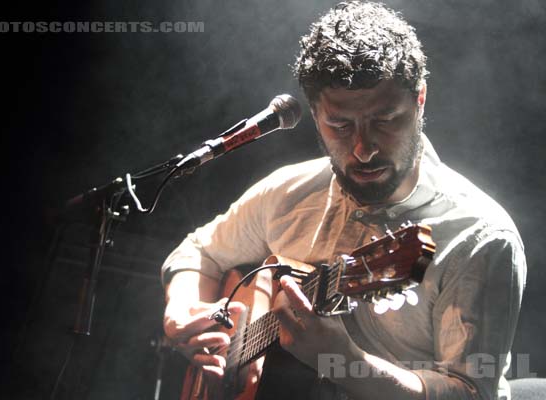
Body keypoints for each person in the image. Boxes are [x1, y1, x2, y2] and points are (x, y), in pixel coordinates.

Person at [161, 1, 527, 399]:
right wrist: (182, 311)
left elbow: (470, 392)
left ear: (419, 99)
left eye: (385, 121)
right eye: (339, 125)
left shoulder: (478, 235)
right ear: (315, 114)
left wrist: (346, 361)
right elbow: (198, 250)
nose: (363, 149)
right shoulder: (288, 192)